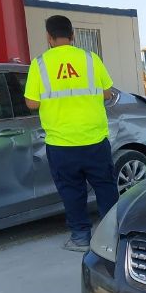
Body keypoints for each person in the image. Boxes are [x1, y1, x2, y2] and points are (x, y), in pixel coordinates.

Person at [24, 15, 119, 252]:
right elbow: (108, 93)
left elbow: (31, 103)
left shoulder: (40, 64)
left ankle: (80, 238)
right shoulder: (90, 58)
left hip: (61, 143)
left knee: (72, 191)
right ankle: (113, 239)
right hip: (94, 139)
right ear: (73, 35)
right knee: (106, 188)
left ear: (49, 36)